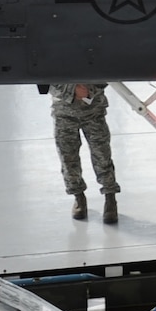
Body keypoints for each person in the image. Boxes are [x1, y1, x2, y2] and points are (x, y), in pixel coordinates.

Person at [52, 83, 118, 223]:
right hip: (63, 111)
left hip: (93, 110)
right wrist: (71, 89)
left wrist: (90, 90)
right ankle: (78, 196)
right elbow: (45, 72)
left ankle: (110, 197)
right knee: (68, 157)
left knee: (102, 155)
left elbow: (107, 68)